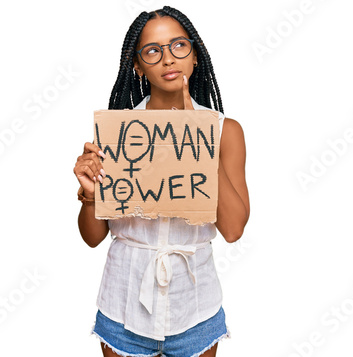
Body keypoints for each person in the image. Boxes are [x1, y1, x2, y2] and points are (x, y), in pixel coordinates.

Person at [73, 6, 250, 357]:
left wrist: (196, 140)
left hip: (195, 312)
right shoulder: (118, 134)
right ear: (138, 66)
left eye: (179, 46)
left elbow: (233, 230)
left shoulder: (225, 132)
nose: (168, 58)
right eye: (153, 50)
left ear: (195, 55)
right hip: (122, 310)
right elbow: (93, 238)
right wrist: (91, 196)